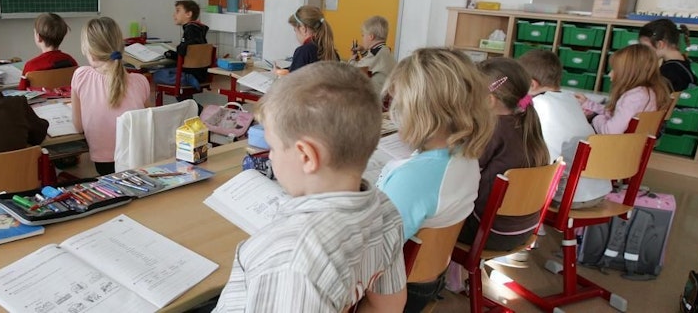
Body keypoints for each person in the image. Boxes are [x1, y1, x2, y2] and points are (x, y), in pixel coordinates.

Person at [213, 62, 407, 312]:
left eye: (273, 147)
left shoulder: (288, 260)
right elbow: (389, 307)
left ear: (306, 156)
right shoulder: (386, 209)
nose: (270, 157)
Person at [376, 48, 494, 313]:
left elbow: (373, 252)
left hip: (400, 288)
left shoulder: (414, 178)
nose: (394, 112)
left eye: (398, 105)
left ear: (421, 112)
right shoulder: (465, 154)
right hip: (429, 276)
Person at [457, 58, 549, 251]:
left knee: (429, 217)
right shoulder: (527, 121)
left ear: (490, 101)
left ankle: (445, 273)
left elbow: (463, 169)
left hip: (487, 231)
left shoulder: (493, 130)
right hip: (524, 229)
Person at [518, 49, 603, 208]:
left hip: (569, 195)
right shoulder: (570, 99)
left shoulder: (539, 105)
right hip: (597, 190)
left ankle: (533, 220)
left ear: (531, 84)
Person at [71, 17, 151, 175]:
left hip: (104, 163)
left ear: (91, 52)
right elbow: (148, 125)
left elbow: (79, 127)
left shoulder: (81, 76)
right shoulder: (141, 82)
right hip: (138, 161)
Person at [576, 44, 671, 135]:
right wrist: (588, 104)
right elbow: (617, 114)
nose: (609, 74)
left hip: (613, 147)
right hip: (632, 146)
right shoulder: (649, 92)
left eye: (614, 69)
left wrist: (596, 118)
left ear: (628, 73)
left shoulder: (633, 97)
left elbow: (610, 132)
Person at [155, 0, 210, 90]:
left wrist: (177, 49)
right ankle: (191, 103)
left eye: (178, 11)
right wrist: (173, 54)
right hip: (200, 73)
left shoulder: (190, 30)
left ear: (188, 14)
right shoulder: (198, 30)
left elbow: (184, 50)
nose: (174, 15)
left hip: (191, 72)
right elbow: (189, 53)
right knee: (167, 68)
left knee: (158, 75)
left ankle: (186, 79)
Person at [18, 13, 79, 90]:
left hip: (39, 101)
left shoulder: (31, 66)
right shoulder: (71, 61)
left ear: (38, 37)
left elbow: (22, 91)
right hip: (66, 101)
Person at [638, 18, 697, 91]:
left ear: (659, 44)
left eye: (645, 47)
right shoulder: (681, 62)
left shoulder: (669, 72)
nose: (643, 52)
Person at [349, 15, 396, 94]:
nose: (362, 38)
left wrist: (352, 59)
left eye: (363, 35)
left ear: (371, 37)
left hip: (378, 98)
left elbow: (353, 71)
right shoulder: (384, 50)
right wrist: (363, 51)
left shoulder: (376, 54)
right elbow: (372, 62)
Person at [287, 5, 339, 72]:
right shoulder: (332, 52)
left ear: (303, 29)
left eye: (295, 30)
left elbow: (293, 81)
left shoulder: (303, 52)